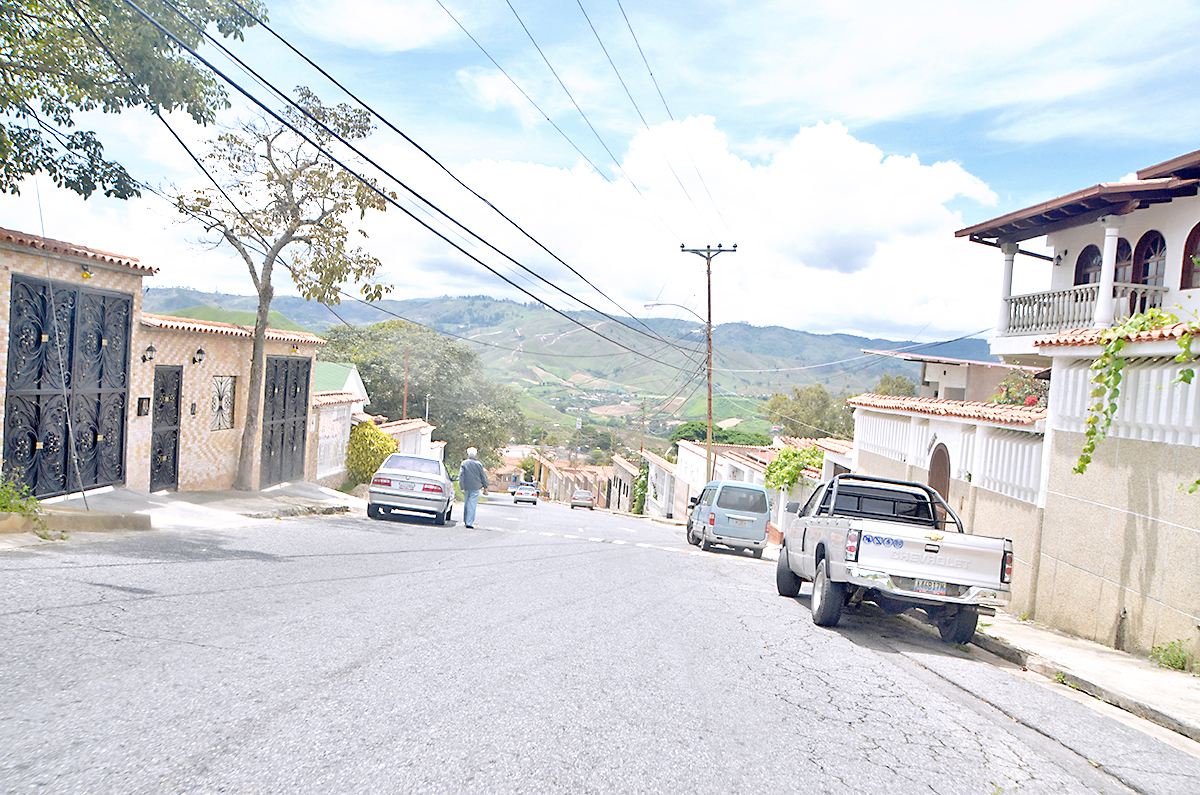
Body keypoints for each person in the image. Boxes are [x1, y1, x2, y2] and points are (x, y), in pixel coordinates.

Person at [458, 447, 488, 528]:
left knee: (467, 504)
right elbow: (483, 476)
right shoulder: (479, 464)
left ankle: (465, 520)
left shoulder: (464, 463)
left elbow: (461, 476)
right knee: (472, 505)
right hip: (475, 487)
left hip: (466, 487)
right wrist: (485, 486)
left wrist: (462, 487)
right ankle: (469, 522)